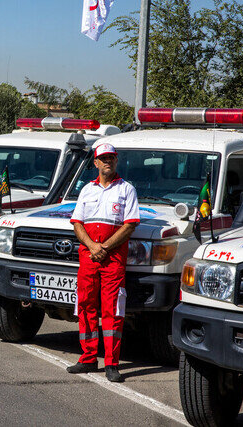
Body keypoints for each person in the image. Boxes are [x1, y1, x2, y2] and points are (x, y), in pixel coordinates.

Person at [67, 143, 140, 383]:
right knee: (86, 304)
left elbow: (130, 224)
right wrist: (92, 246)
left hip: (113, 258)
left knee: (112, 309)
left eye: (112, 158)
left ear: (116, 161)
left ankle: (111, 363)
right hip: (88, 256)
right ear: (96, 163)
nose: (108, 161)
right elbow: (77, 223)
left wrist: (104, 247)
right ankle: (88, 358)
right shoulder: (87, 190)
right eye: (103, 158)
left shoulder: (127, 189)